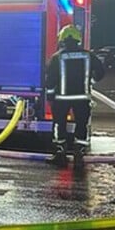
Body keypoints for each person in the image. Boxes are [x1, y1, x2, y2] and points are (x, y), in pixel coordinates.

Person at [44, 24, 104, 168]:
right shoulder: (88, 55)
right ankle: (79, 154)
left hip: (62, 99)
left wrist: (50, 96)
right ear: (78, 40)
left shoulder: (57, 57)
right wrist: (91, 81)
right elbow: (101, 72)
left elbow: (50, 80)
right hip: (82, 98)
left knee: (60, 125)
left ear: (62, 40)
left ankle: (60, 154)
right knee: (81, 125)